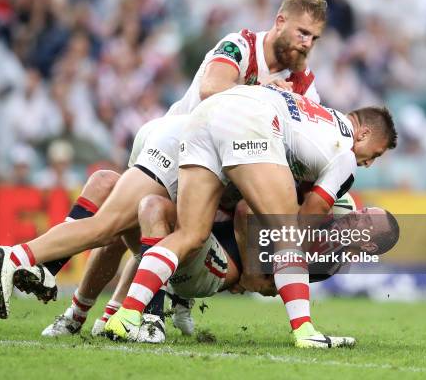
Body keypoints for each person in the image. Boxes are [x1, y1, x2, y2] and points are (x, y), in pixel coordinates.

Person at [0, 0, 331, 318]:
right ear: (280, 21)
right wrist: (267, 92)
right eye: (302, 33)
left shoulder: (304, 82)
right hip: (179, 149)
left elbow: (301, 142)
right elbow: (212, 90)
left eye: (314, 38)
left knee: (128, 229)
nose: (307, 44)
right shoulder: (240, 45)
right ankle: (39, 271)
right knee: (123, 227)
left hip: (202, 166)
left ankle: (96, 308)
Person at [103, 84, 397, 349]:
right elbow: (299, 218)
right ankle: (305, 331)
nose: (370, 162)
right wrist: (256, 274)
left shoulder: (318, 118)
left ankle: (128, 314)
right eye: (377, 153)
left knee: (186, 231)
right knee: (289, 232)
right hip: (244, 124)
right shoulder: (342, 155)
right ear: (364, 133)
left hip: (211, 111)